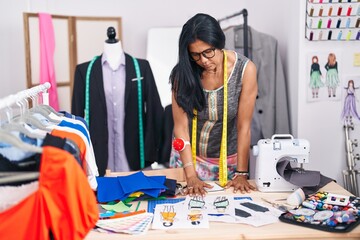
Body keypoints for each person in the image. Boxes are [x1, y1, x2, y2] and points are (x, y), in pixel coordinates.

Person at [169, 13, 257, 196]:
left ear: (219, 43)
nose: (203, 60)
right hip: (187, 159)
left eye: (208, 52)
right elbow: (181, 128)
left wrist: (242, 173)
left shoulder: (244, 71)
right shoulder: (183, 74)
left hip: (228, 162)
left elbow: (244, 127)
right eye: (195, 55)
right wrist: (190, 175)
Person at [72, 27, 163, 176]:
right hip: (98, 159)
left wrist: (150, 152)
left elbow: (155, 111)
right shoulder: (84, 72)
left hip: (135, 157)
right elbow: (77, 117)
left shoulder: (141, 68)